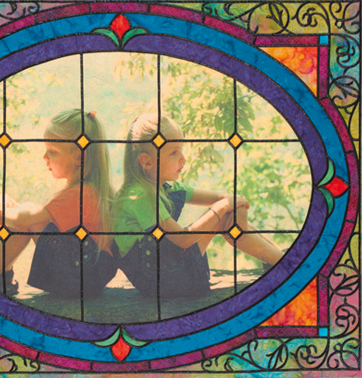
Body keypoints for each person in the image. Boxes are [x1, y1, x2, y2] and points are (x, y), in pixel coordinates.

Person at [112, 113, 284, 299]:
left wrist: (237, 210)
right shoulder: (140, 195)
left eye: (181, 150)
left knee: (226, 214)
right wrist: (223, 208)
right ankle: (285, 264)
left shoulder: (167, 187)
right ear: (147, 161)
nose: (183, 158)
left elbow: (224, 197)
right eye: (173, 152)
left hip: (169, 269)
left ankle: (280, 258)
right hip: (160, 280)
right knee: (221, 215)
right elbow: (184, 240)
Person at [0, 109, 117, 298]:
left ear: (80, 157)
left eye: (53, 151)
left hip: (84, 274)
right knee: (27, 214)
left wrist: (0, 210)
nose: (45, 157)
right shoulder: (93, 190)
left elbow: (26, 219)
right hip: (91, 274)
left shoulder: (79, 193)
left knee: (27, 215)